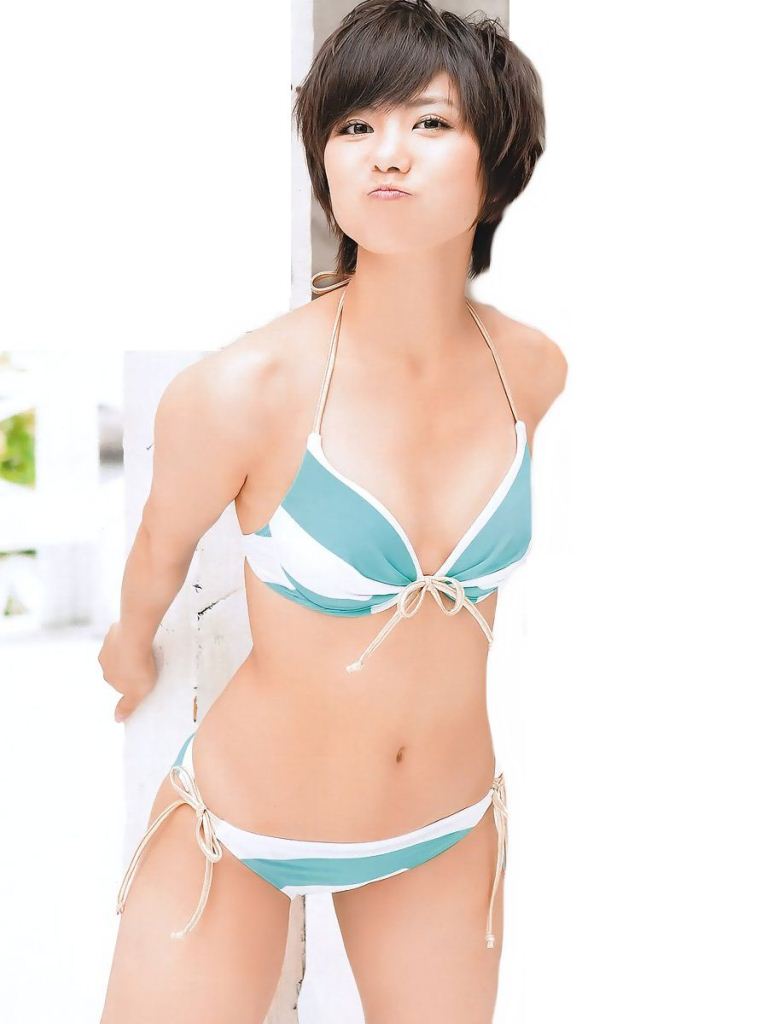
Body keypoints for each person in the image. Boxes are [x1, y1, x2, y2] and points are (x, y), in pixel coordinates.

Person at [98, 1, 567, 1020]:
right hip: (240, 829)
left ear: (498, 163)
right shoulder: (245, 389)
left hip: (445, 826)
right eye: (355, 125)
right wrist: (129, 651)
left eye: (429, 122)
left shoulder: (530, 369)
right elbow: (159, 548)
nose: (385, 152)